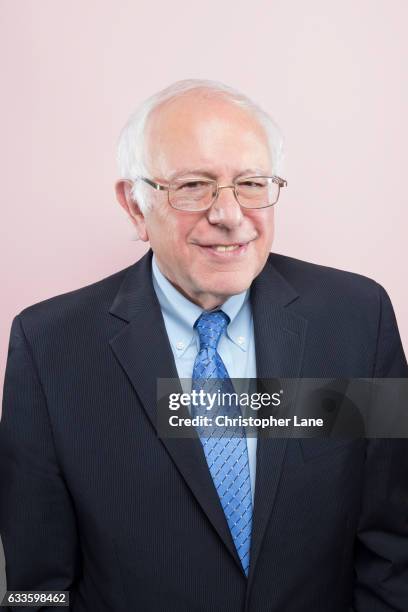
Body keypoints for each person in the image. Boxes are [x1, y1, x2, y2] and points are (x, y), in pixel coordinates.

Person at [0, 79, 407, 612]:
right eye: (193, 185)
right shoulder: (47, 345)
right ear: (135, 206)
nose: (230, 214)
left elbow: (392, 547)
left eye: (252, 183)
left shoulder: (356, 319)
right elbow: (35, 590)